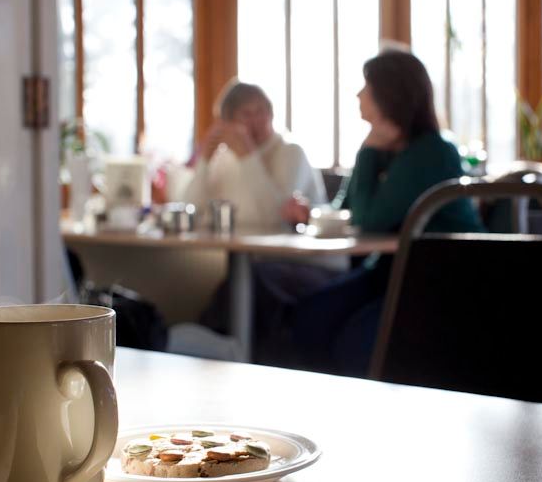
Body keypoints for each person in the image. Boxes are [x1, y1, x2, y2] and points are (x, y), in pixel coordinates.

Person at [284, 48, 485, 377]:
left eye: (367, 86)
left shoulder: (431, 151)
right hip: (389, 269)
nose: (359, 94)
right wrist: (310, 214)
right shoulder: (383, 148)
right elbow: (346, 211)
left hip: (440, 274)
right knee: (311, 317)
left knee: (354, 344)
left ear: (390, 95)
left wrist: (367, 151)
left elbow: (368, 220)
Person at [184, 80, 326, 229]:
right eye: (246, 115)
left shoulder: (291, 152)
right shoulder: (223, 160)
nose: (256, 121)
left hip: (283, 250)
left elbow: (277, 218)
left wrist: (248, 157)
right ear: (227, 124)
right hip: (234, 248)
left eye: (261, 111)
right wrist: (204, 162)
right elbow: (192, 209)